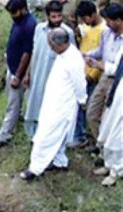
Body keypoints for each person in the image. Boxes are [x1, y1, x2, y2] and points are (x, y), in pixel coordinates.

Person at [20, 28, 87, 179]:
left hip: (62, 105)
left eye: (51, 45)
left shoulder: (73, 59)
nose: (50, 48)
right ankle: (59, 161)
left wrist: (82, 100)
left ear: (60, 44)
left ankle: (35, 168)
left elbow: (80, 84)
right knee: (56, 134)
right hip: (53, 101)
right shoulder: (62, 54)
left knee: (46, 135)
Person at [23, 1, 75, 138]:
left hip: (56, 79)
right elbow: (34, 52)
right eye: (54, 17)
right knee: (35, 104)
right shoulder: (39, 29)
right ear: (47, 16)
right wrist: (28, 74)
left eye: (59, 16)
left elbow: (72, 58)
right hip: (38, 74)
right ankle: (34, 135)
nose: (57, 20)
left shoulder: (67, 33)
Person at [0, 0, 37, 149]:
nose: (12, 16)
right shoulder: (19, 20)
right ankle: (16, 123)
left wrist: (18, 75)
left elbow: (27, 53)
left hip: (18, 72)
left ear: (23, 9)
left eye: (14, 12)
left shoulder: (29, 25)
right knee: (13, 104)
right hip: (12, 68)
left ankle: (4, 136)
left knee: (12, 105)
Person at [82, 3, 123, 155]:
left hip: (118, 81)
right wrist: (88, 55)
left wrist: (100, 65)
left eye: (110, 21)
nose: (107, 23)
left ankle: (108, 152)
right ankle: (101, 145)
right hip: (105, 77)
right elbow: (101, 50)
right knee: (92, 112)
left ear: (119, 20)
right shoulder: (107, 33)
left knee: (109, 118)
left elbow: (119, 66)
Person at [70, 1, 105, 147]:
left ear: (93, 15)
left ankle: (92, 139)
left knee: (92, 109)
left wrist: (92, 75)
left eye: (85, 18)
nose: (84, 22)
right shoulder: (86, 28)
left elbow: (103, 55)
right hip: (81, 73)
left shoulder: (104, 30)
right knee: (81, 107)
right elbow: (81, 45)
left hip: (92, 76)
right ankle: (81, 136)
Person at [94, 49, 123, 186]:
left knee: (118, 136)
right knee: (107, 128)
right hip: (117, 93)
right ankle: (108, 164)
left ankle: (116, 172)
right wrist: (100, 65)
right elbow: (116, 69)